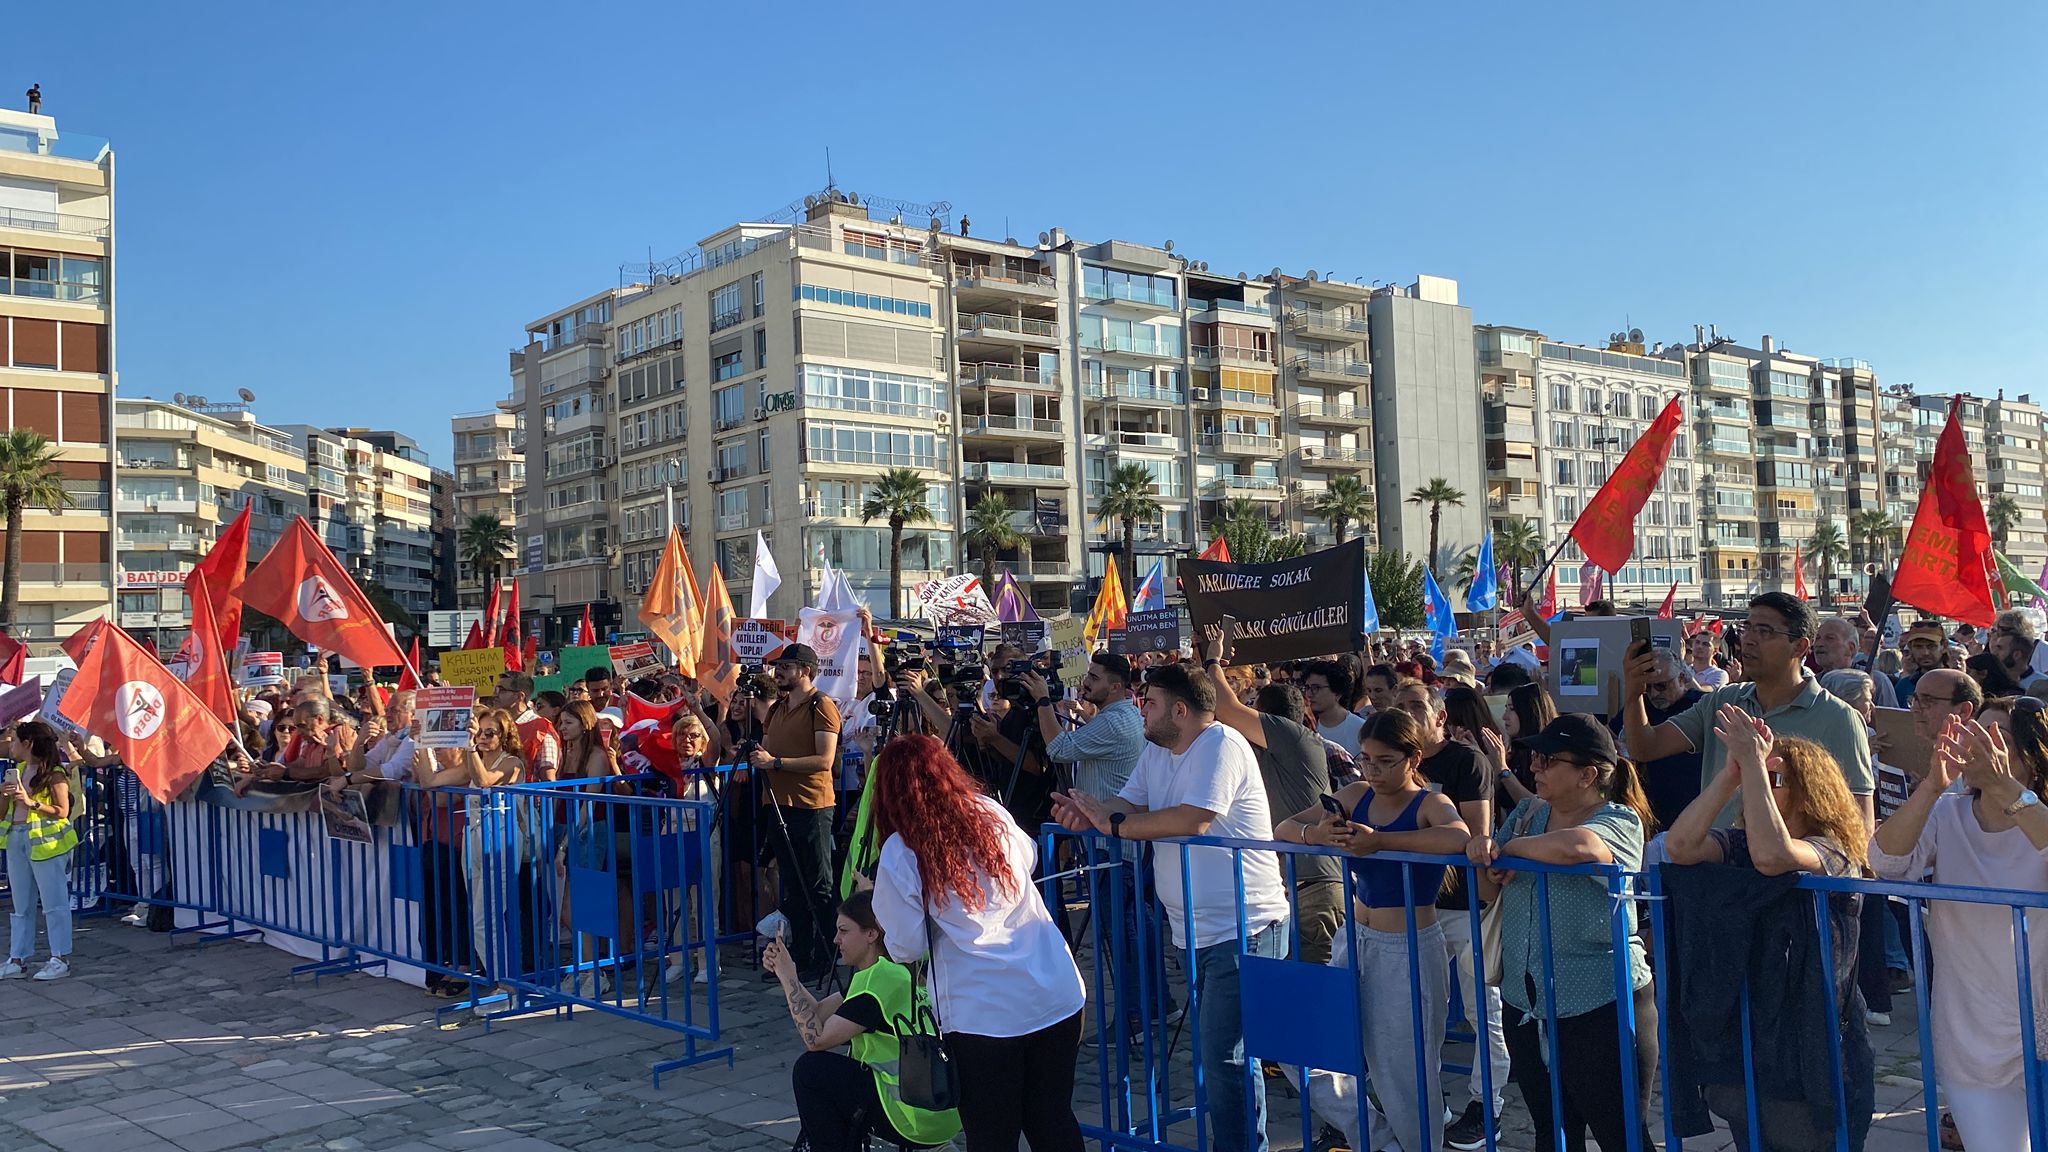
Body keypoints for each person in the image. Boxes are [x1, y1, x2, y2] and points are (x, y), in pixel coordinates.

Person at [1051, 663, 1291, 1152]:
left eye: (1151, 703)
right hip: (1192, 929)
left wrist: (1112, 826)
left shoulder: (1219, 744)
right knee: (1223, 1056)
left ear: (1180, 710)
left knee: (1227, 1058)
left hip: (1244, 926)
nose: (1142, 710)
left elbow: (1192, 819)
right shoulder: (1158, 750)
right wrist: (1090, 816)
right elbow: (1130, 805)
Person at [1663, 714, 1875, 1150]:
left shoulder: (1833, 850)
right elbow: (1680, 847)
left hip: (1818, 1047)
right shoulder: (1745, 841)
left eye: (1776, 776)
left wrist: (1756, 765)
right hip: (1754, 1040)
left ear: (1809, 790)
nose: (1761, 781)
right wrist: (1730, 776)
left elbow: (1774, 856)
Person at [868, 735, 1085, 1152]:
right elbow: (1029, 856)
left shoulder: (902, 850)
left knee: (992, 1134)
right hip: (1054, 991)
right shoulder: (989, 811)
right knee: (1051, 1117)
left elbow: (906, 946)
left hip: (983, 1013)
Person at [1276, 709, 1471, 1152]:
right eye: (1366, 759)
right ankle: (1379, 1140)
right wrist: (1318, 833)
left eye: (1385, 761)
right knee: (1301, 1044)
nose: (1373, 770)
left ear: (1412, 759)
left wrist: (1381, 840)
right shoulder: (1356, 792)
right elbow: (1285, 827)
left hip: (1408, 949)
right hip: (1353, 937)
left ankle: (1412, 1144)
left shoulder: (1429, 803)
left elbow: (1457, 837)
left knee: (1404, 1073)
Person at [1469, 714, 1658, 1152]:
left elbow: (1581, 847)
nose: (1534, 767)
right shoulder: (1525, 813)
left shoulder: (1619, 820)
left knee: (1621, 1135)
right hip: (1526, 1000)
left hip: (1601, 1001)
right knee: (1550, 1133)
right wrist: (1481, 853)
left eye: (1547, 759)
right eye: (1534, 757)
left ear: (1588, 774)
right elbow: (1485, 887)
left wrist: (1511, 851)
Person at [1871, 709, 2048, 1152]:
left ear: (2031, 752)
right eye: (1972, 731)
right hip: (1972, 1030)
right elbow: (1886, 864)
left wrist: (2006, 786)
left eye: (1996, 735)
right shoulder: (1947, 812)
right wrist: (1932, 786)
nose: (1978, 742)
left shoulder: (2039, 815)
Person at [1625, 592, 1874, 832]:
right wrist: (1635, 692)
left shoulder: (1839, 718)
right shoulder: (1722, 702)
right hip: (1713, 862)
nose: (1749, 640)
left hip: (1790, 868)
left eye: (1764, 631)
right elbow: (1645, 747)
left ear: (1799, 647)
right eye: (1747, 628)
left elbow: (1859, 823)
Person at [1389, 679, 1504, 1146]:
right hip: (1417, 906)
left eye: (1416, 706)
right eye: (1399, 706)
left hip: (1464, 906)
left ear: (1439, 717)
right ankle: (1430, 1104)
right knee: (1422, 1013)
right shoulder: (1395, 765)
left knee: (1483, 1012)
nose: (1406, 712)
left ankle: (1488, 1104)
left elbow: (1473, 839)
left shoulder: (1466, 760)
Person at [766, 890, 962, 1152]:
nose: (836, 939)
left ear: (872, 934)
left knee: (810, 1070)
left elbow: (815, 1039)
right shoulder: (889, 973)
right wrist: (787, 974)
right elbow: (819, 1012)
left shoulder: (878, 982)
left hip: (911, 1116)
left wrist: (788, 976)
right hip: (934, 1110)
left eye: (844, 931)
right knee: (829, 1078)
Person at [1199, 626, 1341, 967]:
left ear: (1269, 716)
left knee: (1318, 995)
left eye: (1254, 709)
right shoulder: (1271, 752)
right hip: (1286, 889)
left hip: (1314, 889)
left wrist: (1213, 659)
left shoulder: (1296, 738)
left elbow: (1227, 708)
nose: (1247, 713)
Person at [750, 643, 843, 984]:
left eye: (786, 667)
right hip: (779, 805)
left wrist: (775, 763)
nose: (778, 672)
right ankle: (801, 957)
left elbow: (824, 761)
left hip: (812, 807)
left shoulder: (822, 706)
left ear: (805, 670)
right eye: (778, 667)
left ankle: (827, 956)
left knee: (818, 886)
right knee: (795, 888)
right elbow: (768, 747)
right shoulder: (778, 709)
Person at [0, 723, 76, 981]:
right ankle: (17, 958)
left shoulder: (54, 774)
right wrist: (4, 796)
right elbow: (3, 813)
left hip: (47, 844)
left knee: (54, 903)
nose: (11, 746)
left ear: (28, 743)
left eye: (15, 741)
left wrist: (31, 802)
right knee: (20, 904)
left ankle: (60, 957)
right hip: (16, 840)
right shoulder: (17, 771)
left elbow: (62, 810)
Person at [1623, 647, 1708, 830]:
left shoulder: (1702, 706)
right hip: (1651, 808)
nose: (1654, 694)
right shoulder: (1641, 705)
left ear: (1682, 679)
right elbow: (1610, 734)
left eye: (1661, 686)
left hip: (1693, 809)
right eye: (1648, 687)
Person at [1815, 617, 1899, 707]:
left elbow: (1892, 718)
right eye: (1817, 638)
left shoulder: (1877, 681)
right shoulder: (1813, 683)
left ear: (1850, 648)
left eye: (1830, 638)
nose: (1819, 644)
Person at [495, 671, 562, 782]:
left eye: (501, 690)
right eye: (496, 689)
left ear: (519, 696)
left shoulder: (542, 728)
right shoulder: (497, 724)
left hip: (528, 796)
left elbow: (548, 777)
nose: (495, 694)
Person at [340, 689, 416, 783]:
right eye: (386, 710)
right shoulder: (389, 739)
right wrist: (359, 742)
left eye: (394, 710)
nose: (387, 715)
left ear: (413, 714)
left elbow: (393, 770)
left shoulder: (415, 738)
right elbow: (357, 769)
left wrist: (347, 780)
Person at [1300, 660, 1366, 756]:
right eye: (1307, 687)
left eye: (1316, 688)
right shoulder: (1305, 728)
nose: (1309, 694)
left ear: (1337, 693)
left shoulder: (1361, 729)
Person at [1989, 610, 2047, 692]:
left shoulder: (2043, 648)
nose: (1999, 633)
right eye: (1995, 629)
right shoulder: (1998, 644)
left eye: (2004, 629)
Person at [1896, 619, 1948, 704]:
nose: (1925, 653)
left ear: (1944, 647)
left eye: (1931, 646)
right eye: (1918, 647)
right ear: (1911, 648)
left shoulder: (1958, 683)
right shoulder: (1904, 686)